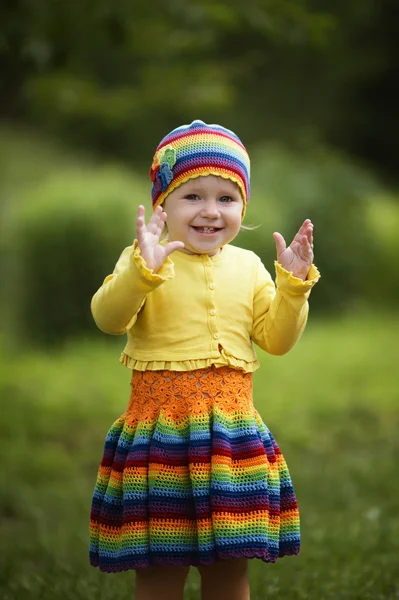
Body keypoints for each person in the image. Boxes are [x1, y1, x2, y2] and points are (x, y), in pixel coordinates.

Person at [89, 119, 320, 600]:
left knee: (230, 567)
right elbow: (108, 318)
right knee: (159, 568)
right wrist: (141, 273)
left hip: (231, 440)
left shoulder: (250, 266)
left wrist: (292, 290)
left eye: (226, 198)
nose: (211, 212)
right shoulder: (144, 259)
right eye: (192, 196)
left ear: (243, 205)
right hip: (161, 440)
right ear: (162, 204)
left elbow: (275, 340)